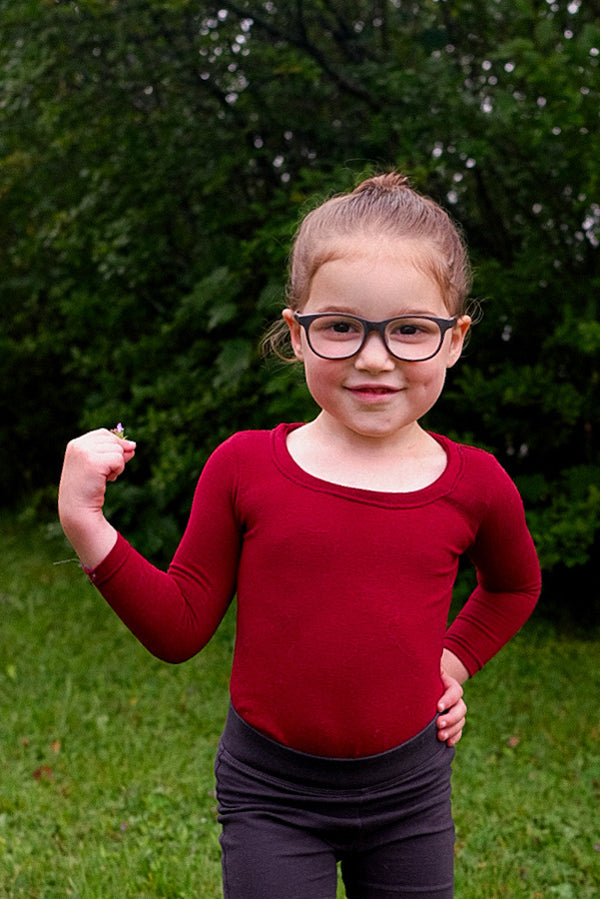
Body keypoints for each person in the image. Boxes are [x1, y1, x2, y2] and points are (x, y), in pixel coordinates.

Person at [58, 172, 541, 899]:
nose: (374, 357)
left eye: (410, 328)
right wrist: (85, 523)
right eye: (342, 325)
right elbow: (180, 626)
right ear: (296, 331)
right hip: (271, 794)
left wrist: (454, 657)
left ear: (454, 340)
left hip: (409, 790)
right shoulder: (246, 467)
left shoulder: (475, 483)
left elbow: (514, 585)